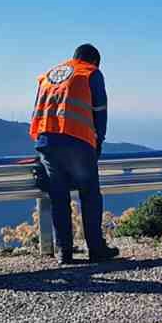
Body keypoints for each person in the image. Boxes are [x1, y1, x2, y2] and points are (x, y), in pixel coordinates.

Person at [31, 44, 121, 263]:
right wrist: (98, 142)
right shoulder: (90, 72)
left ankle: (64, 252)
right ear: (94, 61)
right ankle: (96, 249)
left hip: (47, 141)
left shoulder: (49, 75)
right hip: (77, 141)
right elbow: (100, 111)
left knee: (59, 197)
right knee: (89, 195)